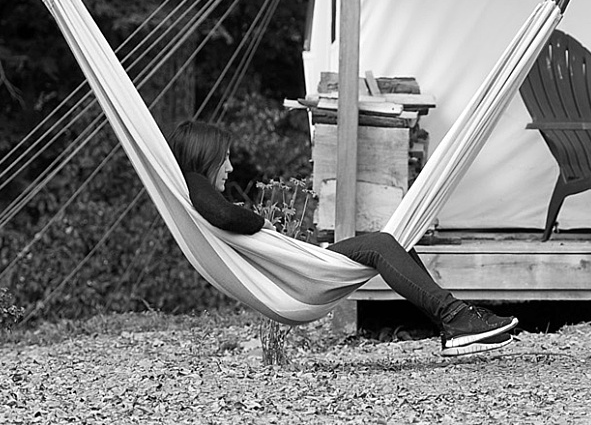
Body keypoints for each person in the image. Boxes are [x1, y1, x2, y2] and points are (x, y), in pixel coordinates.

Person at [168, 118, 519, 355]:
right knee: (381, 245)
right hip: (297, 277)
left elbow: (224, 214)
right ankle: (455, 318)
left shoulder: (191, 187)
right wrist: (262, 223)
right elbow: (226, 214)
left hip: (298, 269)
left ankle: (453, 322)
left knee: (393, 242)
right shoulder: (196, 184)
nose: (229, 168)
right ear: (205, 156)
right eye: (225, 159)